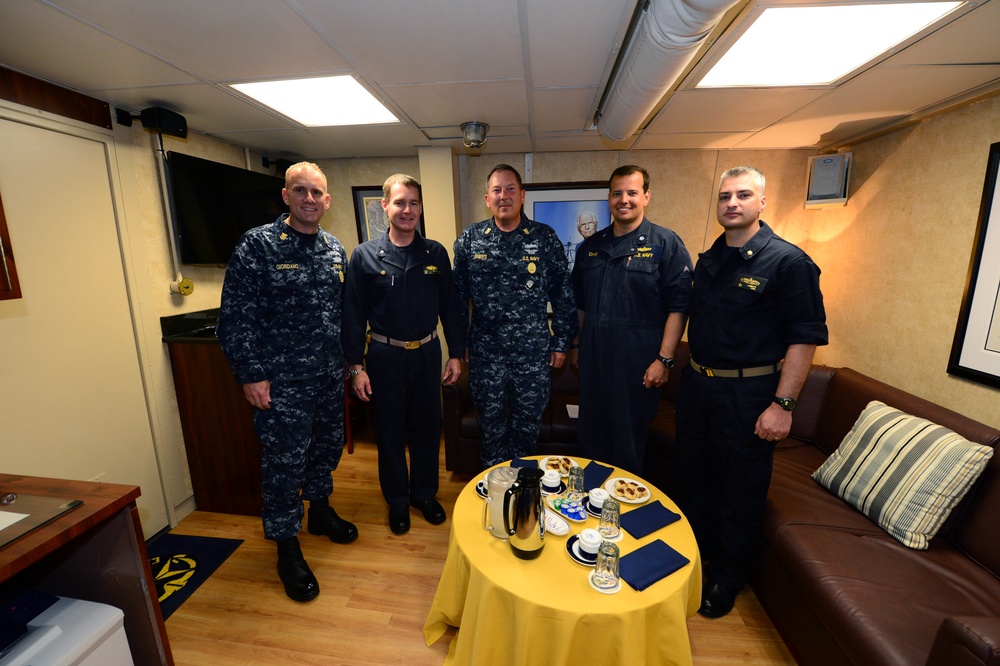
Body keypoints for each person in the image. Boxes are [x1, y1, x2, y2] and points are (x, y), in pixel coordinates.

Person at [675, 166, 828, 619]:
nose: (732, 204)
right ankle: (694, 563)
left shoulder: (789, 263)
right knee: (694, 481)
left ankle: (726, 579)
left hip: (750, 395)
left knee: (738, 491)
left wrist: (783, 405)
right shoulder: (710, 259)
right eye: (724, 197)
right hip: (698, 387)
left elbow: (804, 339)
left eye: (743, 195)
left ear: (762, 202)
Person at [217, 161, 358, 604]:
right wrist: (250, 374)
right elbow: (234, 317)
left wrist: (351, 366)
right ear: (286, 196)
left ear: (327, 200)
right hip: (280, 384)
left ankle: (320, 512)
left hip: (327, 377)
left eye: (317, 193)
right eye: (301, 191)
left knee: (325, 449)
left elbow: (343, 316)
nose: (309, 199)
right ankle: (286, 543)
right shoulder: (257, 245)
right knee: (284, 464)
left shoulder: (335, 249)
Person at [342, 174, 466, 536]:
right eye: (399, 202)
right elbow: (353, 315)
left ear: (420, 208)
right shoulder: (364, 256)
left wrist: (456, 354)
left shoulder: (436, 254)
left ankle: (424, 495)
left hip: (427, 353)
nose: (407, 210)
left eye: (413, 203)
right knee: (391, 432)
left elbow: (451, 309)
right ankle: (397, 501)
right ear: (385, 206)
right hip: (384, 356)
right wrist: (355, 367)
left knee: (428, 429)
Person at [453, 164, 577, 468]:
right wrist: (458, 346)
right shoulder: (470, 240)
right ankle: (494, 500)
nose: (503, 196)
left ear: (522, 196)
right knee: (491, 432)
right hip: (486, 357)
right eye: (496, 190)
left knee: (526, 433)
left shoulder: (544, 238)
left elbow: (563, 293)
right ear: (487, 198)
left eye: (510, 189)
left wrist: (561, 342)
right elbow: (456, 298)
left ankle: (523, 500)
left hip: (531, 358)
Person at [570, 165, 692, 474]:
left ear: (646, 196)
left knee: (628, 445)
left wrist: (664, 360)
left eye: (632, 193)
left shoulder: (666, 244)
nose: (624, 199)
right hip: (594, 358)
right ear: (609, 198)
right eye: (617, 193)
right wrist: (576, 346)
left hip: (638, 363)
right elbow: (580, 304)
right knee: (591, 440)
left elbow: (680, 306)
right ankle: (589, 509)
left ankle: (623, 513)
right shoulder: (591, 248)